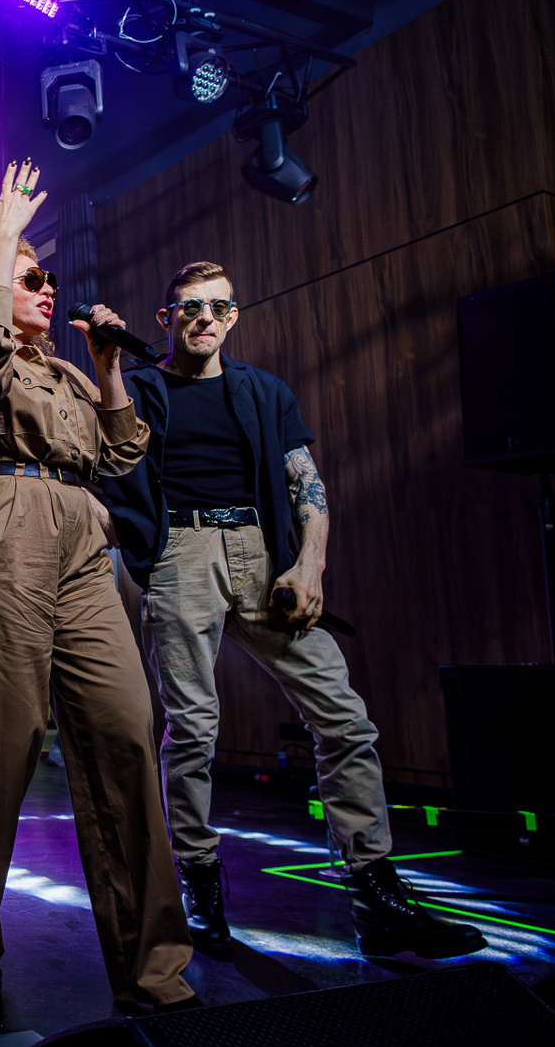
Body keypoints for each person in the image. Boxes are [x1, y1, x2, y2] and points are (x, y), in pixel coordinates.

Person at [103, 260, 484, 959]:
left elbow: (307, 482)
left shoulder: (264, 391)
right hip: (181, 553)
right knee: (193, 730)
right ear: (167, 319)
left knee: (345, 718)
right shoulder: (144, 389)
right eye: (190, 307)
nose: (205, 318)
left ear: (234, 316)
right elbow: (117, 460)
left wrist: (310, 564)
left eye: (218, 307)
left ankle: (375, 895)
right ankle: (199, 884)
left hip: (261, 553)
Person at [0, 160, 196, 1015]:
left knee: (126, 731)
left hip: (79, 539)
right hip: (1, 527)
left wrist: (105, 365)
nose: (47, 289)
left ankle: (152, 966)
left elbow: (121, 452)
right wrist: (2, 240)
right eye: (30, 279)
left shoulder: (64, 375)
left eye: (47, 278)